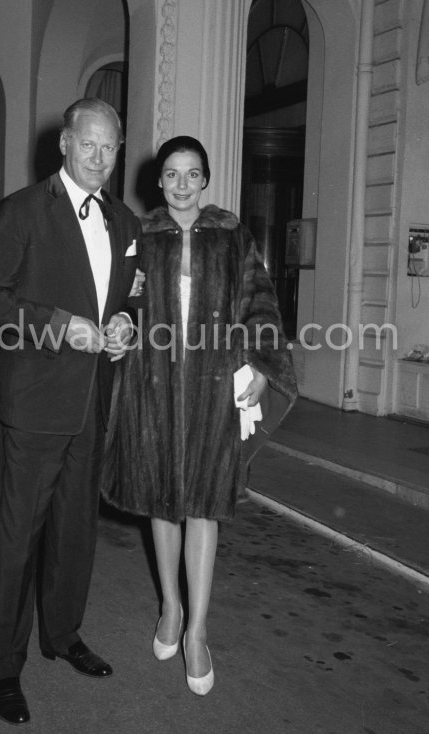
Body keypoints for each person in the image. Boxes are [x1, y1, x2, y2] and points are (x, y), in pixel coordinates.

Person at [101, 136, 297, 696]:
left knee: (205, 504)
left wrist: (260, 363)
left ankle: (198, 632)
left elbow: (259, 301)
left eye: (192, 174)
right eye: (172, 174)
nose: (182, 184)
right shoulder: (142, 236)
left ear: (205, 180)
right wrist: (118, 324)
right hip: (153, 384)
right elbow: (123, 301)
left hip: (214, 386)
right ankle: (169, 608)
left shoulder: (232, 234)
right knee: (161, 502)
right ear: (157, 182)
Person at [0, 98, 141, 725]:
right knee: (15, 538)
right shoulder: (21, 212)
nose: (100, 158)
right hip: (36, 402)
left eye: (110, 148)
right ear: (64, 144)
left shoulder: (124, 222)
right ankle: (2, 665)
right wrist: (55, 325)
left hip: (93, 399)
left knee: (74, 530)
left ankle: (62, 634)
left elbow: (126, 299)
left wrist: (123, 322)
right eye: (89, 145)